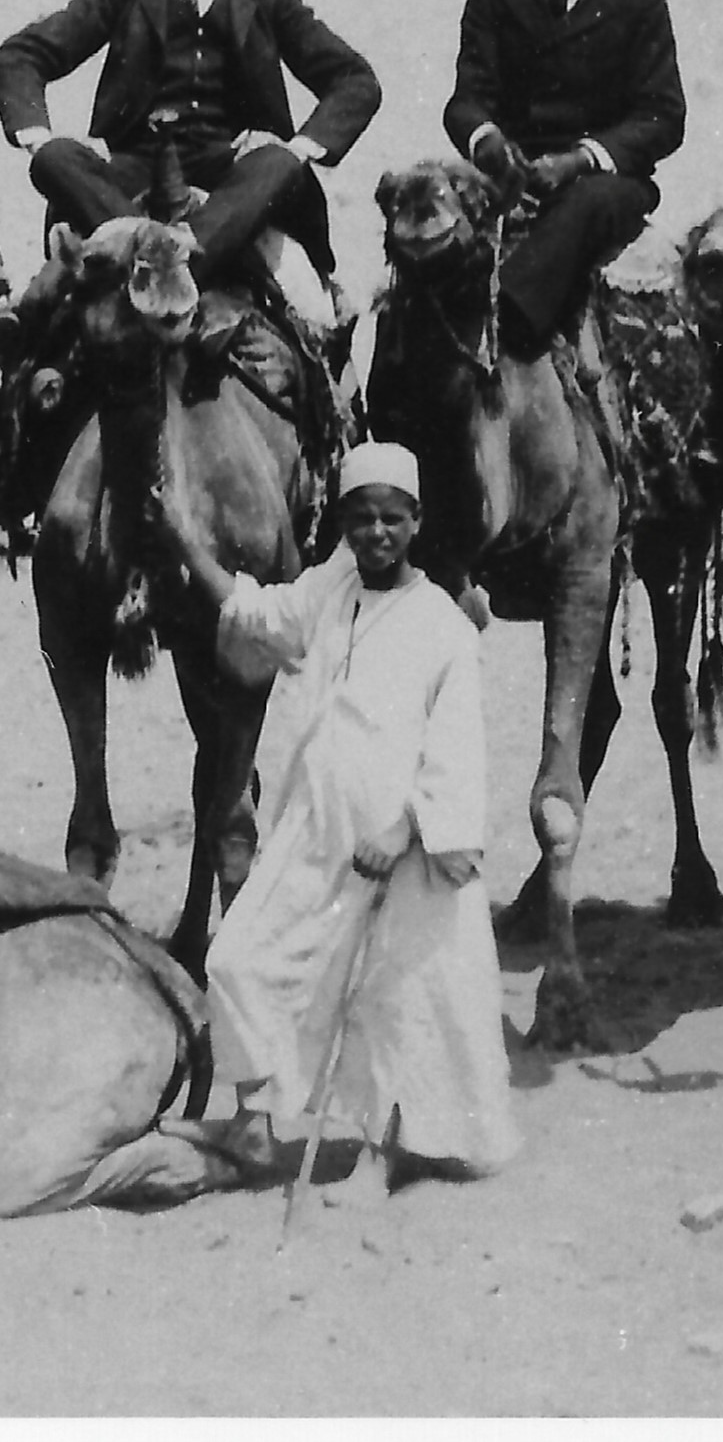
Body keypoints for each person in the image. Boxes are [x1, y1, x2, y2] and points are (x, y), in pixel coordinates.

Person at [198, 444, 516, 1182]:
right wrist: (181, 539)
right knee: (238, 958)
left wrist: (403, 829)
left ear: (416, 522)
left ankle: (380, 1158)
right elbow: (257, 611)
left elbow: (458, 750)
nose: (377, 532)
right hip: (317, 834)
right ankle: (252, 1124)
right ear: (342, 522)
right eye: (363, 517)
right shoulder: (330, 591)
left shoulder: (443, 625)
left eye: (392, 518)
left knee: (393, 1003)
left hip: (401, 850)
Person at [0, 0, 379, 342]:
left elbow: (354, 79)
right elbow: (18, 57)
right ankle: (153, 251)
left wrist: (300, 145)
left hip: (234, 172)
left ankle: (179, 259)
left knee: (279, 163)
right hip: (133, 172)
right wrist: (38, 133)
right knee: (54, 158)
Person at [443, 0, 687, 361]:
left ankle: (511, 314)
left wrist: (580, 159)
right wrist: (488, 140)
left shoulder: (641, 2)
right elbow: (467, 98)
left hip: (600, 182)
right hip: (507, 173)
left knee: (590, 204)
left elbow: (662, 116)